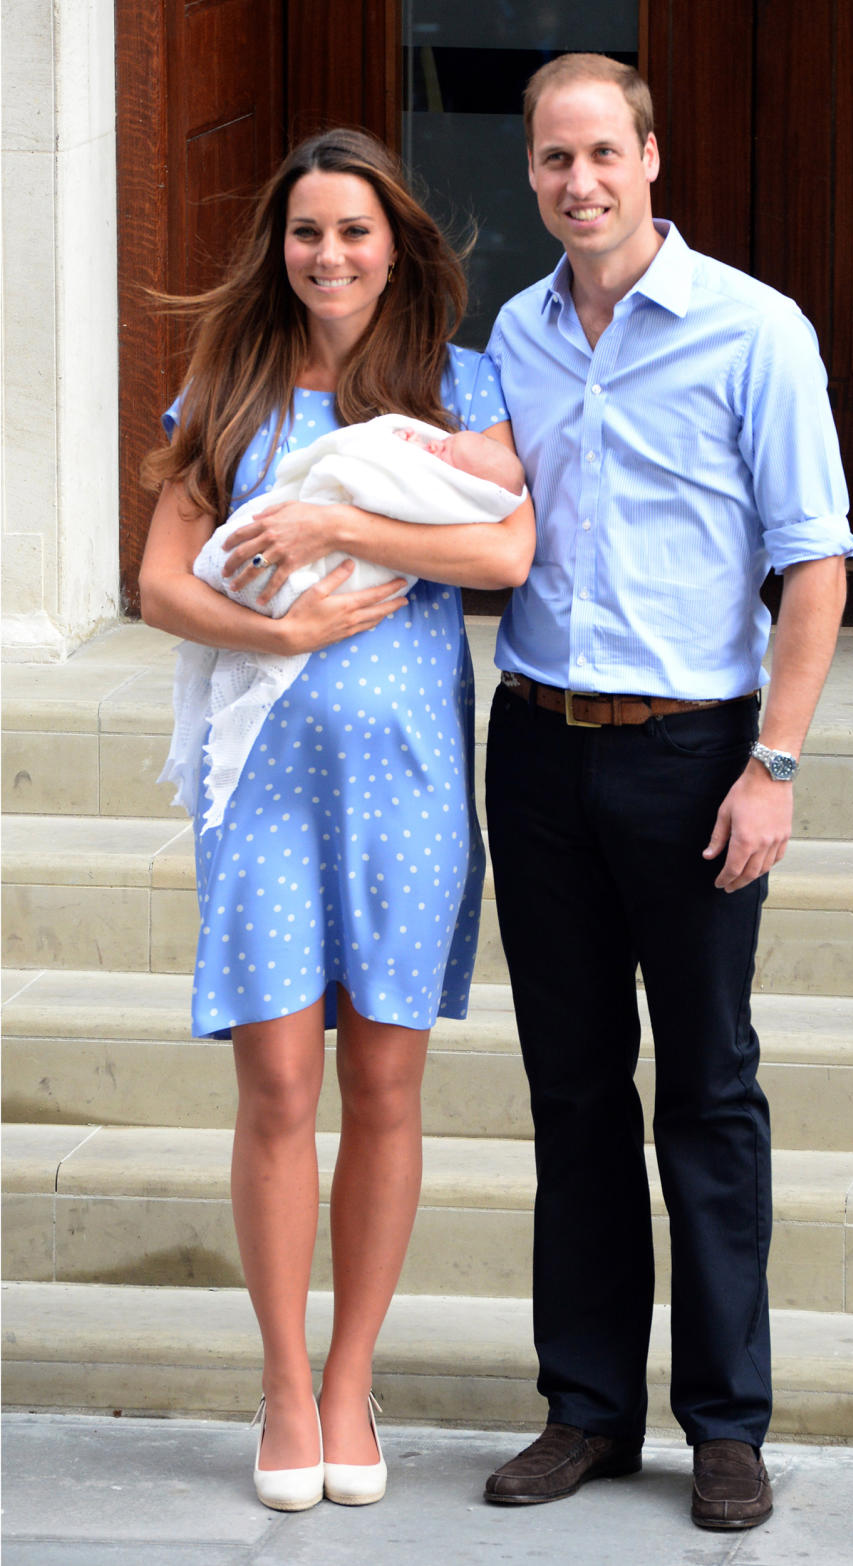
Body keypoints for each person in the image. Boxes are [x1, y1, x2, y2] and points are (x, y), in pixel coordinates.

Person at [481, 54, 853, 1531]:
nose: (580, 181)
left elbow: (813, 559)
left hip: (695, 755)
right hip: (537, 745)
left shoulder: (754, 331)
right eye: (554, 159)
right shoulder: (509, 335)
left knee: (705, 1088)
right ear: (530, 174)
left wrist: (775, 761)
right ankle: (584, 1405)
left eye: (603, 153)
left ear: (650, 157)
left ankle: (725, 1422)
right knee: (571, 1088)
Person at [139, 126, 534, 1513]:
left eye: (354, 232)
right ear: (280, 246)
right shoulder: (231, 386)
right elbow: (159, 584)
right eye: (308, 232)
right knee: (278, 1087)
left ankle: (353, 1375)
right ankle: (284, 1383)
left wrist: (331, 524)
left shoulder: (456, 383)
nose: (329, 255)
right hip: (262, 792)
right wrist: (290, 616)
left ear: (396, 244)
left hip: (408, 784)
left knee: (381, 1084)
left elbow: (503, 547)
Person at [162, 416, 526, 835]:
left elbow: (507, 557)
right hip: (262, 764)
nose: (436, 450)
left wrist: (335, 528)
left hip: (405, 762)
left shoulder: (465, 381)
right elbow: (160, 590)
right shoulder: (223, 393)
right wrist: (280, 636)